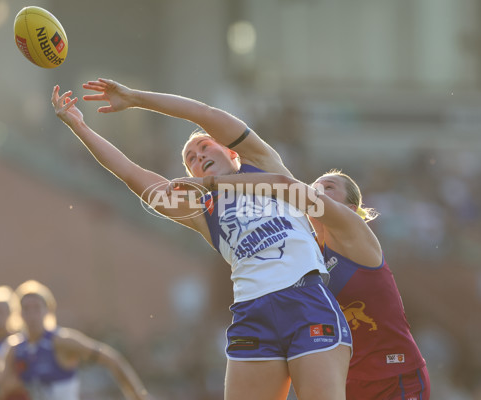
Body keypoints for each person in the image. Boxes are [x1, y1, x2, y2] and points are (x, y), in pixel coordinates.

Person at [51, 80, 352, 400]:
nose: (197, 155)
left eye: (205, 147)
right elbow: (130, 172)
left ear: (231, 150)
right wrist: (80, 127)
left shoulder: (261, 162)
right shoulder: (201, 210)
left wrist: (136, 98)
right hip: (253, 314)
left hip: (304, 298)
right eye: (190, 159)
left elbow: (203, 114)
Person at [168, 169, 430, 399]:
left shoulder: (356, 234)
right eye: (315, 186)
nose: (318, 190)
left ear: (350, 210)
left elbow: (281, 180)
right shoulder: (303, 254)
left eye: (329, 188)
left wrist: (212, 181)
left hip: (394, 374)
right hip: (348, 381)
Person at [0, 280, 149, 400]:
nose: (32, 315)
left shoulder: (62, 341)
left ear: (48, 310)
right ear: (18, 314)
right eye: (26, 309)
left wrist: (138, 395)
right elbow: (1, 387)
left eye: (37, 308)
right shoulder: (14, 348)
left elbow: (112, 359)